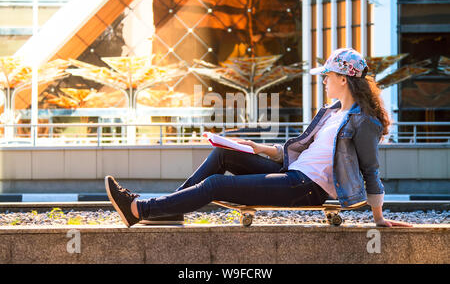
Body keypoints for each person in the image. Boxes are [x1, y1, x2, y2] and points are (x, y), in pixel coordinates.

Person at [105, 48, 412, 228]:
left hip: (306, 188)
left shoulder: (364, 122)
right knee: (224, 155)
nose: (324, 81)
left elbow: (371, 170)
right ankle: (170, 212)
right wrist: (257, 148)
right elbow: (299, 150)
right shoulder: (331, 111)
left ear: (343, 79)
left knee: (216, 185)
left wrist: (379, 218)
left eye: (327, 77)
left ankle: (140, 210)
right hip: (292, 173)